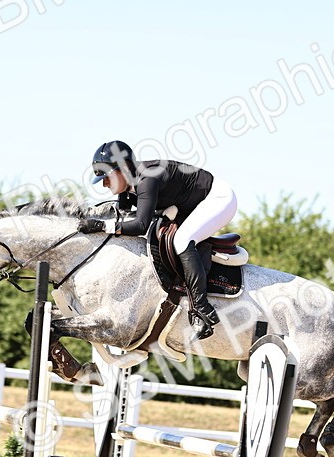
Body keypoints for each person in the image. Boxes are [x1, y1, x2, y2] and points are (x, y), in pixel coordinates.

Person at [79, 140, 237, 339]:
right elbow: (124, 217)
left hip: (218, 199)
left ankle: (202, 310)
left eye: (107, 177)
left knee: (182, 240)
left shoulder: (147, 179)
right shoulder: (129, 185)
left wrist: (101, 226)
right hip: (190, 203)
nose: (104, 184)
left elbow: (140, 225)